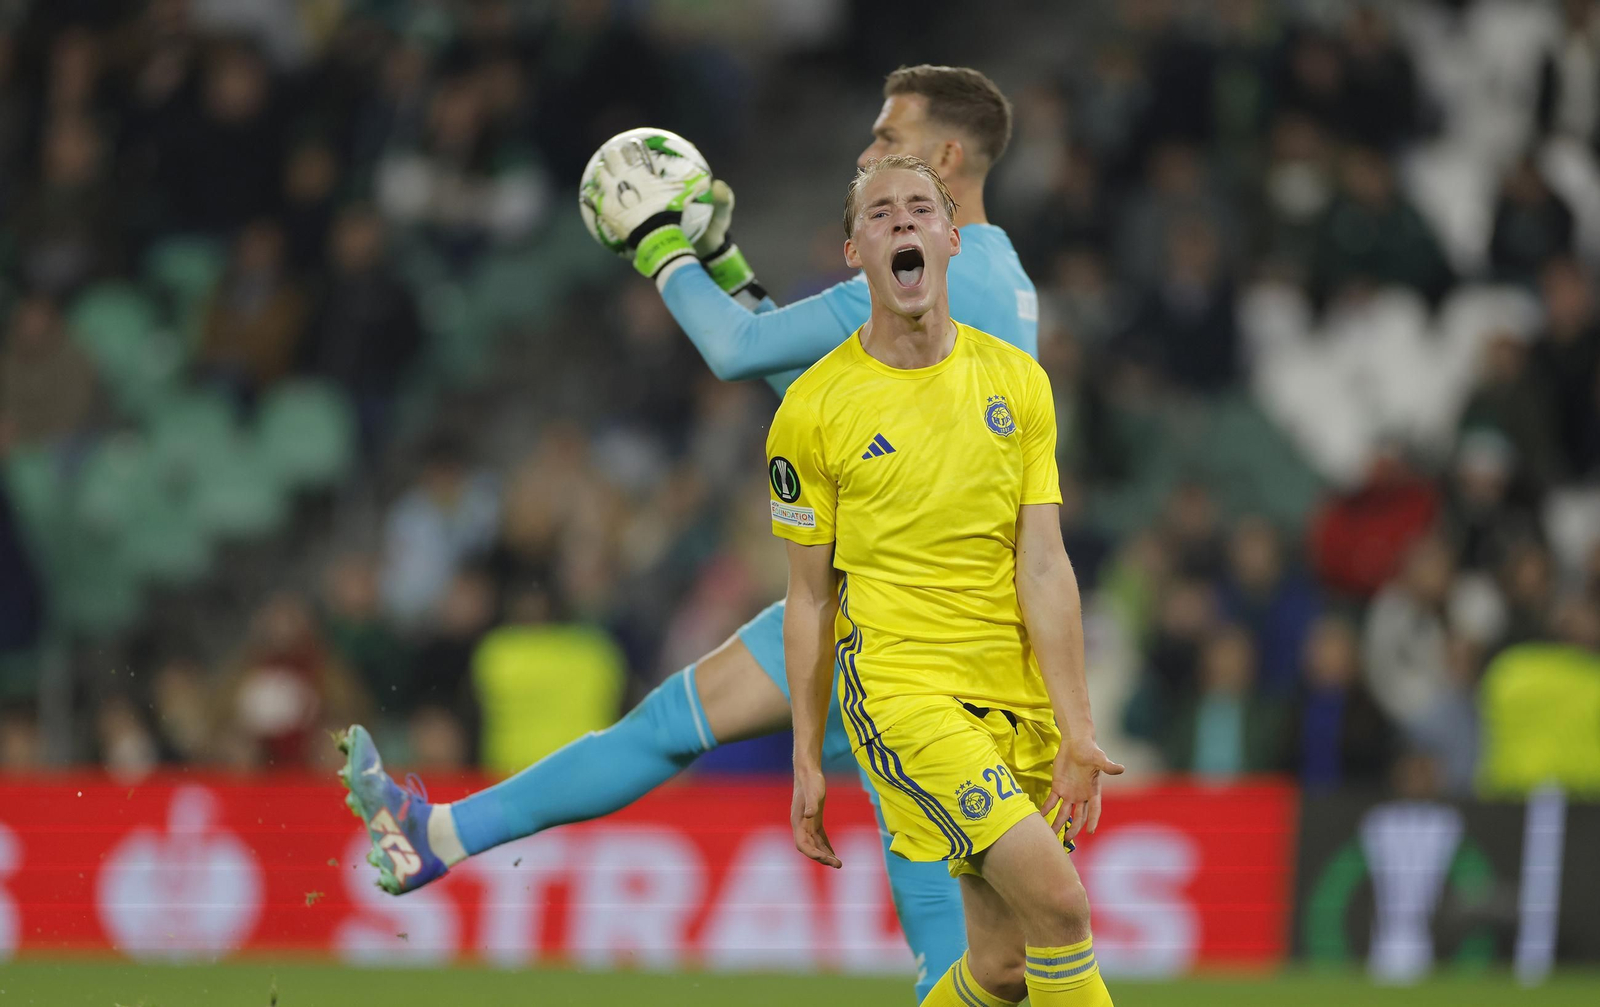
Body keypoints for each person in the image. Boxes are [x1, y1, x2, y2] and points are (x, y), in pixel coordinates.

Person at [339, 65, 1037, 1001]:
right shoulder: (994, 274)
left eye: (888, 137)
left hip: (924, 632)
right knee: (690, 726)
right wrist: (731, 267)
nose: (867, 153)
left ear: (946, 157)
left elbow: (737, 350)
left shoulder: (920, 270)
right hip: (911, 607)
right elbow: (820, 390)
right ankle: (437, 836)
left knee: (957, 908)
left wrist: (660, 242)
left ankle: (437, 838)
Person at [773, 155, 1119, 1006]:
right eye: (878, 213)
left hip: (1017, 695)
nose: (900, 222)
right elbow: (810, 597)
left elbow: (1044, 564)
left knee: (1001, 970)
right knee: (1063, 910)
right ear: (854, 250)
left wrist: (1077, 725)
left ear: (950, 236)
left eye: (919, 207)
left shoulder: (1017, 382)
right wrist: (806, 754)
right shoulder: (812, 412)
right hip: (904, 691)